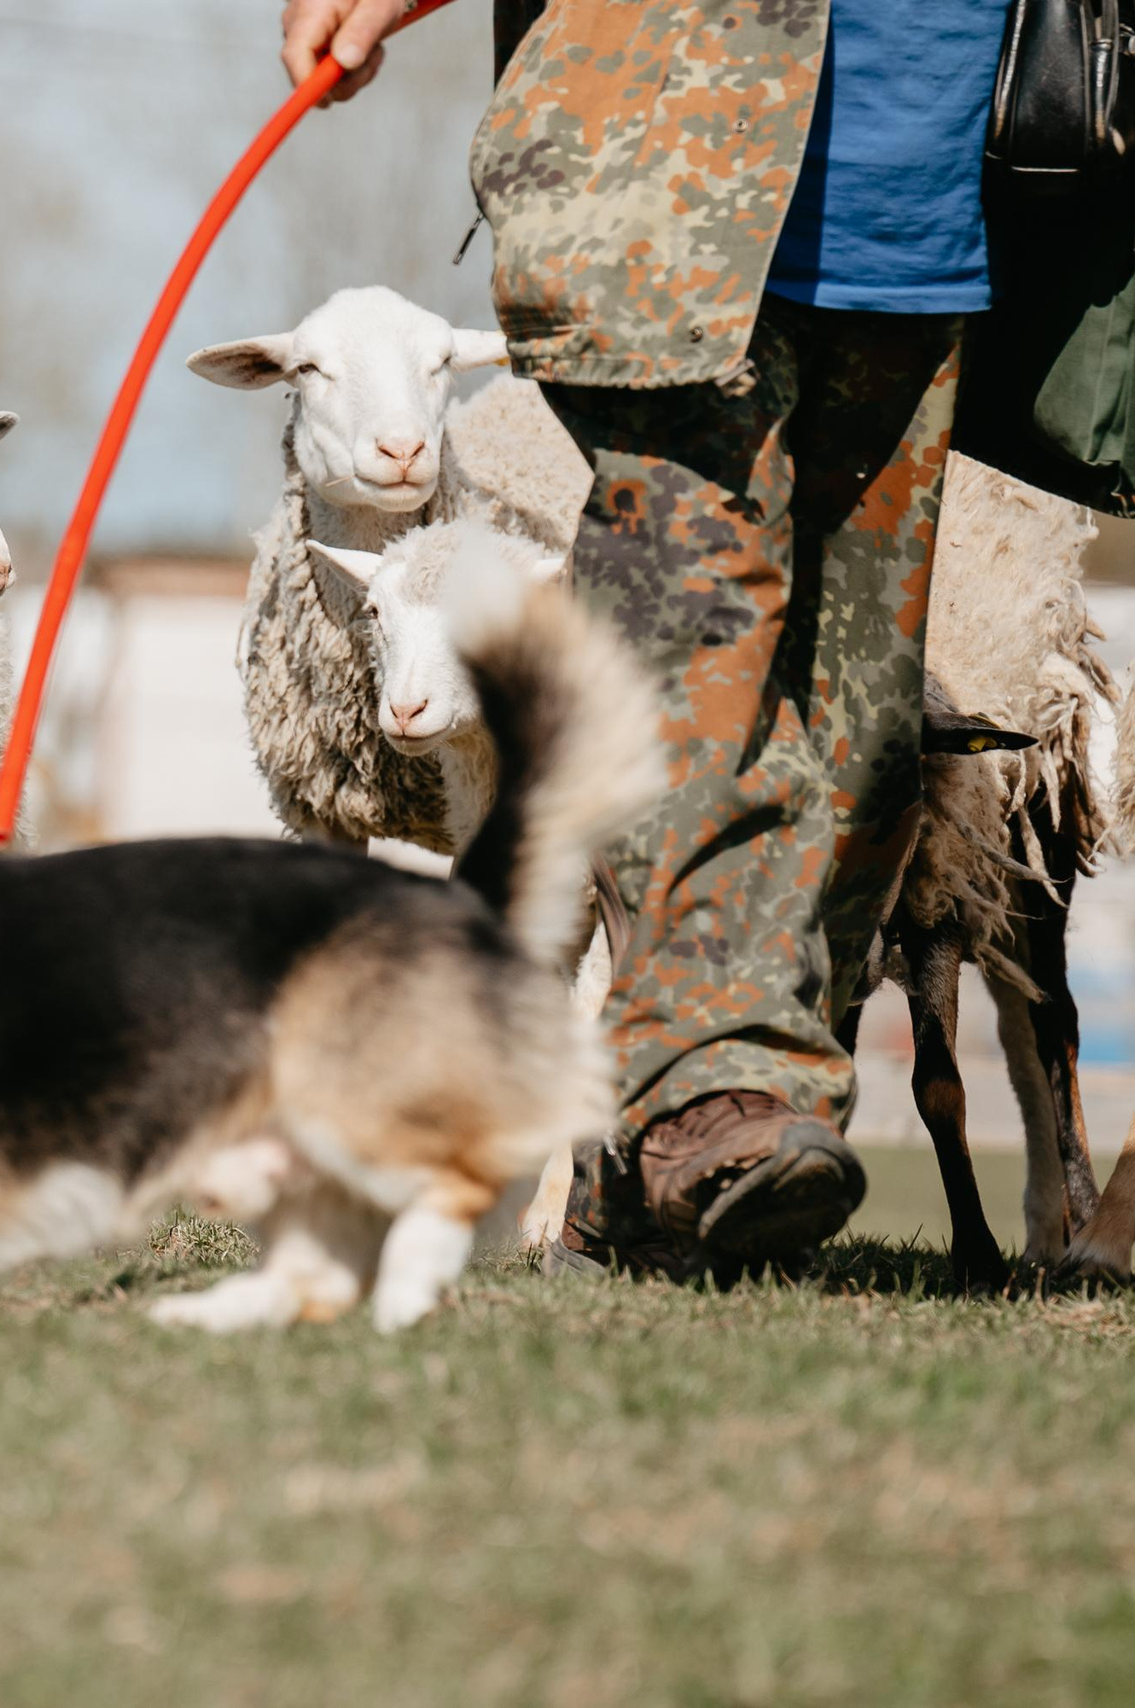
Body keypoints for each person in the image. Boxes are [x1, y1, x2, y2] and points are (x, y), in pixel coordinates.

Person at [277, 0, 1018, 1277]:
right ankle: (712, 1089)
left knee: (864, 732)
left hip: (919, 220)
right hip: (672, 182)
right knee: (693, 652)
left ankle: (664, 1166)